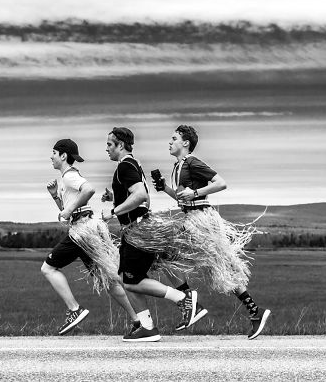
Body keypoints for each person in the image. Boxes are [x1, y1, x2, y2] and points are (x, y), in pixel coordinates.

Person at [152, 124, 271, 340]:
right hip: (192, 218)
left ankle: (190, 303)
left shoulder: (193, 162)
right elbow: (182, 199)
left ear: (185, 143)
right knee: (219, 268)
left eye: (174, 138)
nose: (170, 142)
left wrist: (196, 192)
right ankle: (255, 311)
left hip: (200, 221)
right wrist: (165, 189)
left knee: (164, 256)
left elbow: (221, 183)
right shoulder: (178, 166)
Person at [101, 126, 208, 342]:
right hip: (137, 229)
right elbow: (145, 199)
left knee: (131, 282)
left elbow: (141, 195)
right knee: (124, 278)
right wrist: (116, 198)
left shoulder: (125, 166)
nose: (107, 149)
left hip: (137, 230)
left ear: (121, 145)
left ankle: (183, 299)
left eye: (110, 144)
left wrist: (113, 211)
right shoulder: (134, 164)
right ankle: (147, 327)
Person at [40, 138, 139, 335]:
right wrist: (55, 196)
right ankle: (138, 320)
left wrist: (69, 210)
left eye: (54, 153)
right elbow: (67, 211)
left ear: (63, 156)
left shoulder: (69, 176)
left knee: (48, 268)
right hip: (88, 229)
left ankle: (74, 309)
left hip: (82, 231)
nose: (51, 157)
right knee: (108, 281)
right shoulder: (67, 178)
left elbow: (89, 190)